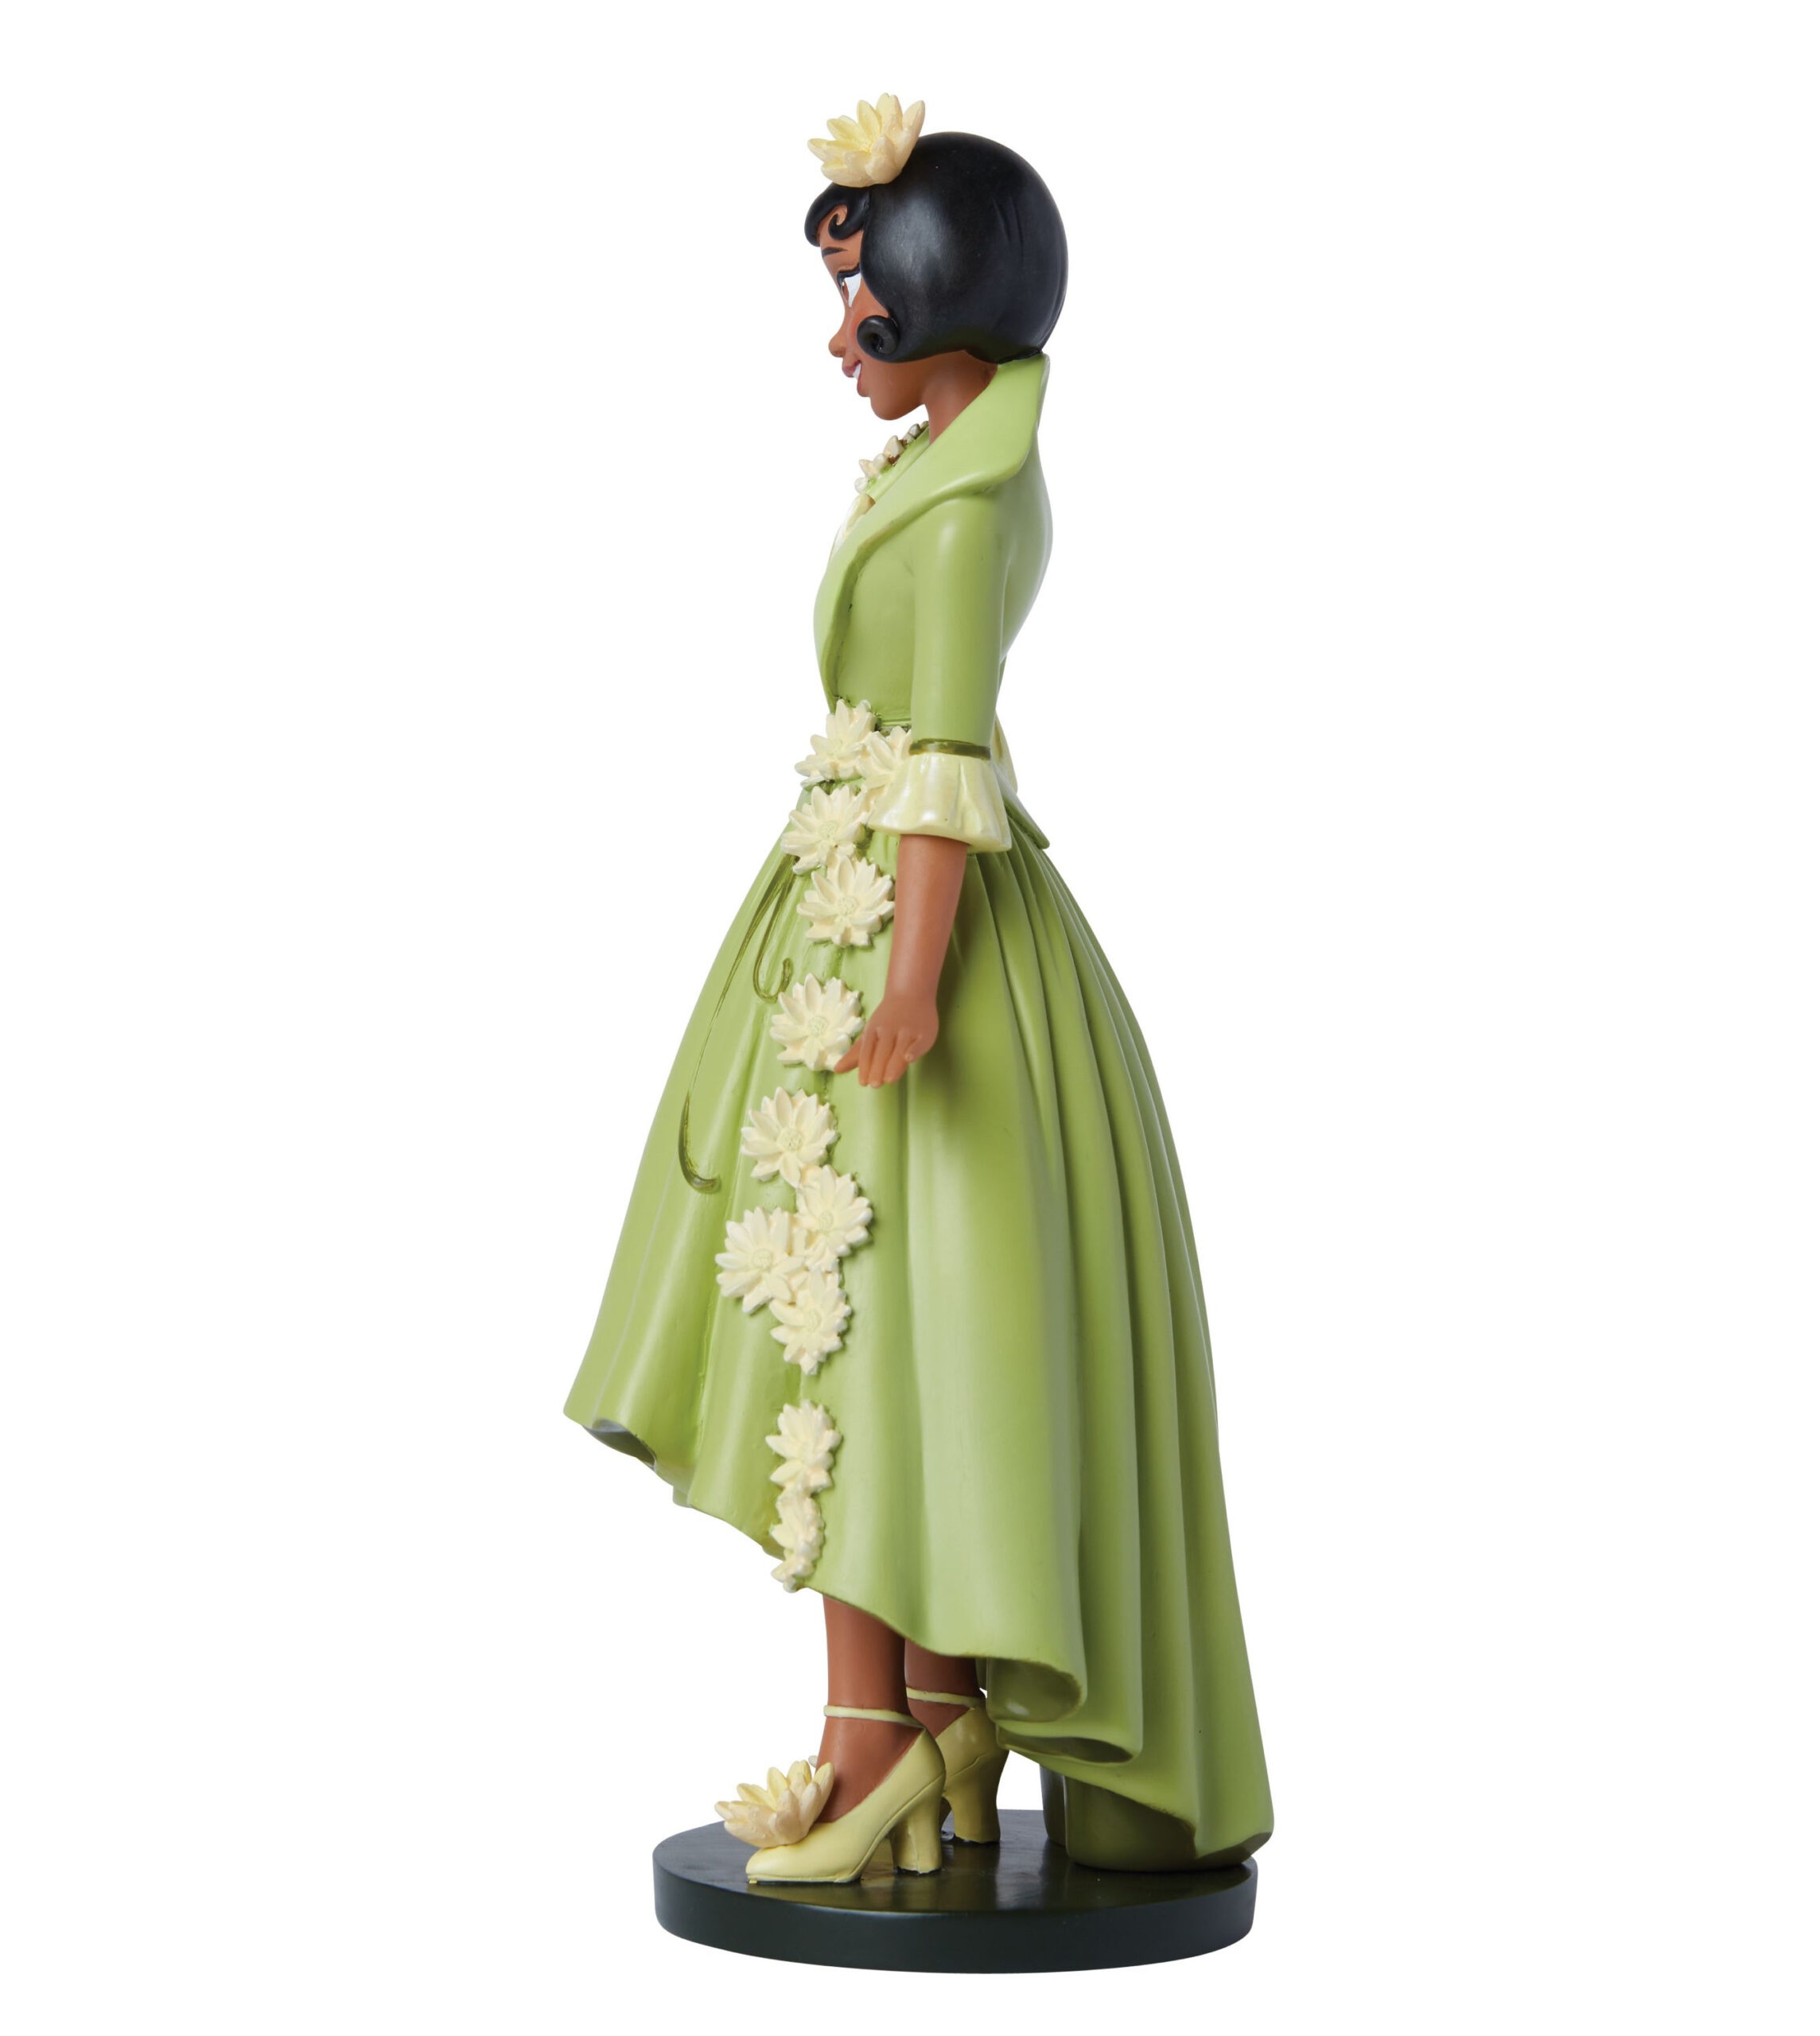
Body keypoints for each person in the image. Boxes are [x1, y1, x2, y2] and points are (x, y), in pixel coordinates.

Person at [563, 97, 1273, 1883]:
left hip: (909, 929)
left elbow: (947, 760)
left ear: (941, 296)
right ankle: (915, 1724)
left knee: (874, 1326)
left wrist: (909, 984)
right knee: (869, 1330)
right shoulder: (935, 466)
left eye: (857, 298)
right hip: (854, 899)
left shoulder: (964, 508)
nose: (836, 339)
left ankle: (893, 1729)